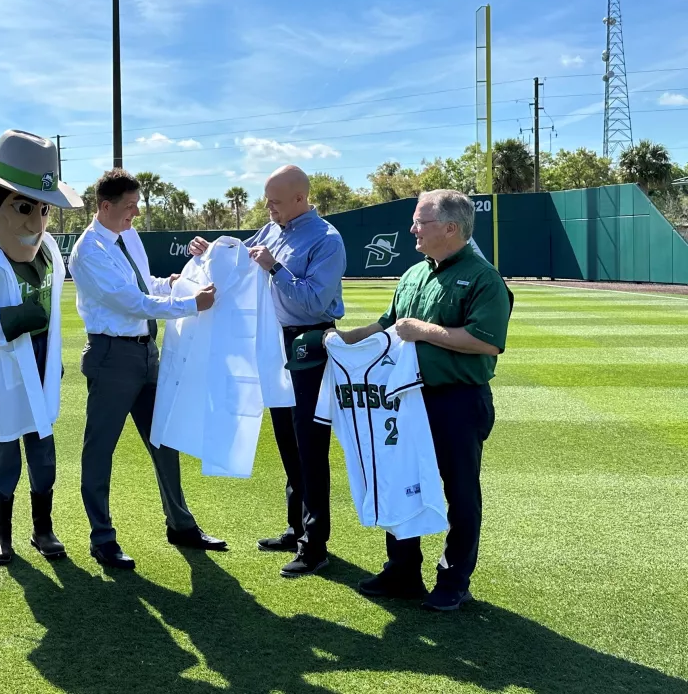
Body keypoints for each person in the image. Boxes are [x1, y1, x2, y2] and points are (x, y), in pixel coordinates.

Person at [330, 189, 512, 611]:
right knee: (399, 479)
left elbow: (486, 343)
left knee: (460, 492)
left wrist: (422, 330)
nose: (412, 229)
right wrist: (339, 340)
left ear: (451, 228)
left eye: (420, 222)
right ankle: (402, 570)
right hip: (405, 399)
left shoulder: (484, 278)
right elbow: (388, 327)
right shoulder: (413, 274)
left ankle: (453, 580)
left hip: (458, 401)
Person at [189, 164, 345, 577]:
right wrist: (210, 254)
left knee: (310, 443)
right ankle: (297, 529)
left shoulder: (327, 239)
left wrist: (275, 268)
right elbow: (242, 259)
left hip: (311, 341)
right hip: (276, 342)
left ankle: (316, 545)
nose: (269, 208)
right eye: (267, 201)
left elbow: (313, 301)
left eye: (275, 201)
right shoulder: (273, 228)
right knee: (287, 437)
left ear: (300, 198)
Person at [69, 169, 226, 570]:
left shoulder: (127, 235)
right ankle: (102, 538)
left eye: (137, 205)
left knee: (164, 439)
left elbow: (145, 286)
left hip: (144, 353)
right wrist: (191, 304)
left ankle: (180, 525)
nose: (136, 213)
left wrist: (172, 282)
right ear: (105, 206)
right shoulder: (88, 252)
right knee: (99, 449)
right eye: (129, 206)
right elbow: (131, 302)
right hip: (111, 357)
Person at [0, 130, 83, 565]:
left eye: (43, 210)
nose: (36, 222)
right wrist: (9, 321)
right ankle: (1, 534)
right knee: (4, 448)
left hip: (42, 361)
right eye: (23, 208)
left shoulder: (50, 249)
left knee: (43, 450)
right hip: (6, 366)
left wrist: (54, 356)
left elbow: (53, 308)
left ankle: (42, 530)